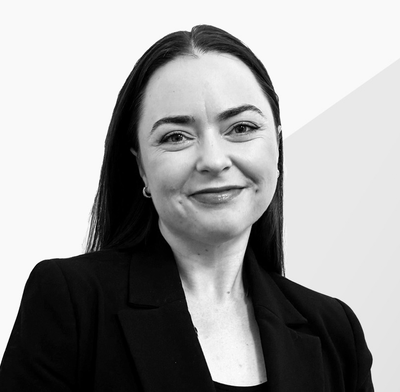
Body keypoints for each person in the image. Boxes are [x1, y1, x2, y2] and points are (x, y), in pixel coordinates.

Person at [0, 25, 373, 391]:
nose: (213, 160)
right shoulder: (71, 302)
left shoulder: (335, 331)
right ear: (141, 167)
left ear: (276, 147)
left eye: (241, 128)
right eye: (176, 136)